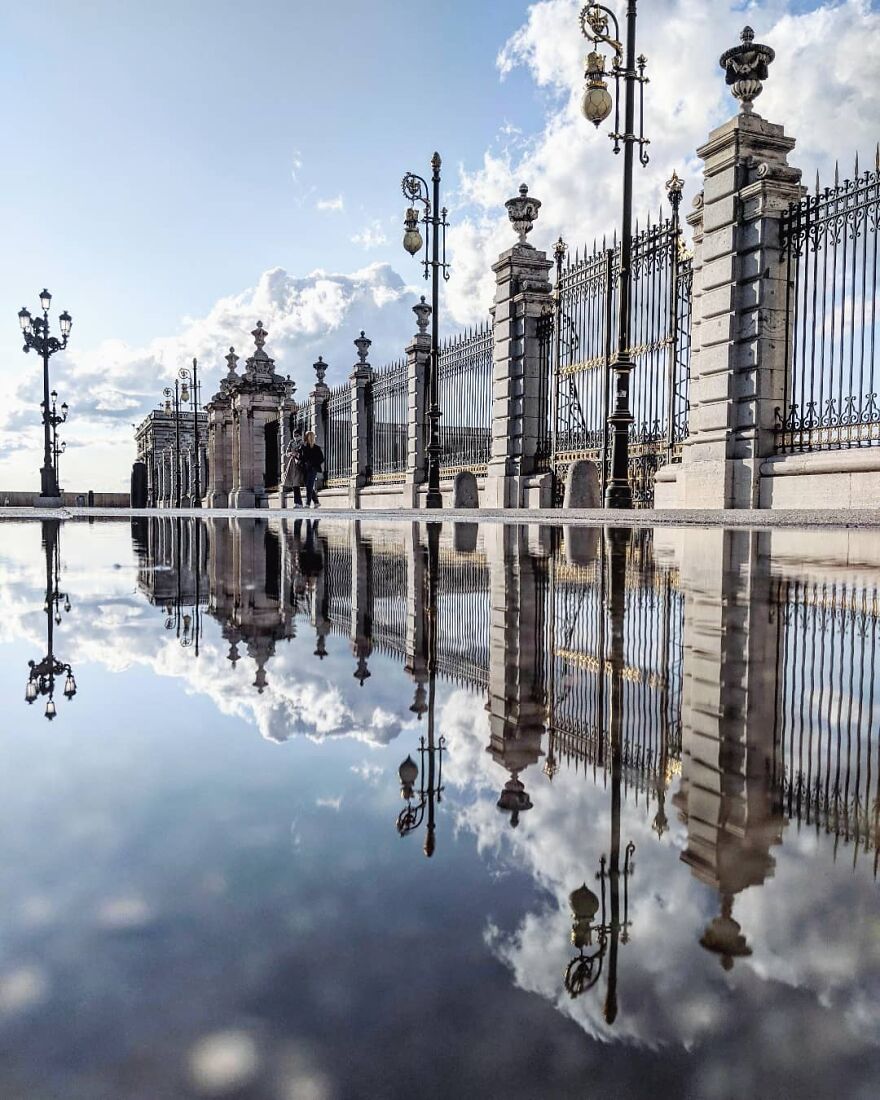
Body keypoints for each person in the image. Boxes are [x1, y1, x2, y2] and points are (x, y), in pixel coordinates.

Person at [300, 431, 324, 509]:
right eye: (308, 436)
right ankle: (316, 502)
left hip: (313, 469)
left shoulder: (316, 448)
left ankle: (307, 503)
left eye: (310, 436)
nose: (309, 438)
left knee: (309, 486)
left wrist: (313, 464)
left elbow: (321, 459)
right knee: (308, 485)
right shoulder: (303, 447)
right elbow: (302, 458)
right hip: (305, 469)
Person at [283, 428, 305, 508]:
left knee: (297, 484)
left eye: (297, 435)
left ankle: (301, 502)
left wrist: (297, 454)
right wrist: (290, 453)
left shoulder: (303, 443)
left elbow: (304, 454)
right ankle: (298, 503)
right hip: (292, 465)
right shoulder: (291, 442)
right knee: (294, 484)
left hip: (300, 465)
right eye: (294, 435)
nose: (295, 437)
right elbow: (286, 453)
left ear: (300, 435)